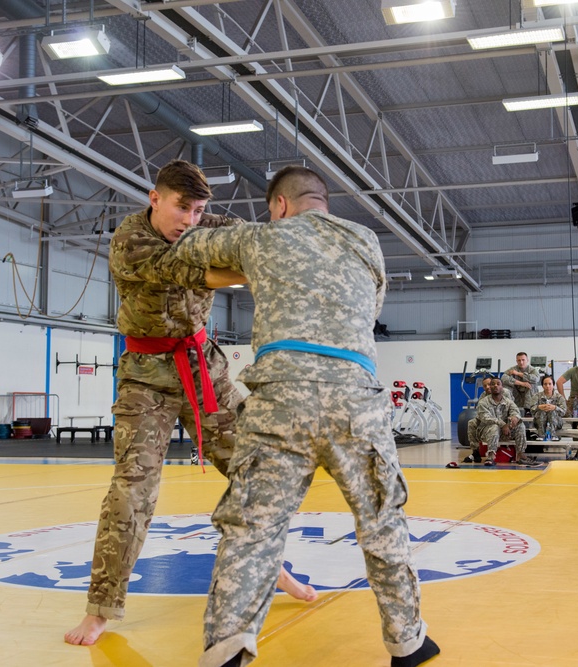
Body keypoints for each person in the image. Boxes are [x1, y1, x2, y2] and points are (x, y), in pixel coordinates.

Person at [173, 166, 439, 667]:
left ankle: (228, 648)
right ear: (321, 201)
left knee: (253, 529)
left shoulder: (259, 238)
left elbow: (188, 251)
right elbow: (371, 306)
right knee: (382, 521)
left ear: (279, 206)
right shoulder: (366, 240)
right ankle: (408, 642)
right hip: (355, 398)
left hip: (280, 399)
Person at [64, 161, 314, 648]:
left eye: (199, 210)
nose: (190, 219)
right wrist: (249, 267)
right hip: (147, 378)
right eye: (182, 206)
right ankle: (100, 608)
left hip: (205, 368)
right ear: (155, 198)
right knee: (131, 492)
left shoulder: (206, 224)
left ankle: (270, 568)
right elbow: (203, 269)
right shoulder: (129, 241)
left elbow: (251, 240)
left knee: (258, 468)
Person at [476, 378, 533, 466]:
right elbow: (485, 418)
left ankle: (520, 455)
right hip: (487, 432)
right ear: (490, 388)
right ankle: (491, 456)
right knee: (494, 427)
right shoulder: (483, 402)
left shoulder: (508, 401)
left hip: (506, 432)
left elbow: (516, 412)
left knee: (520, 425)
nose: (495, 386)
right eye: (493, 384)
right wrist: (503, 425)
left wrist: (514, 418)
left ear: (502, 387)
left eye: (498, 384)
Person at [463, 377, 494, 463]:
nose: (487, 387)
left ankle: (491, 455)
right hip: (485, 420)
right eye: (485, 386)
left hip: (497, 421)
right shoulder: (483, 396)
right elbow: (479, 412)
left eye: (489, 384)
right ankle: (476, 452)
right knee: (471, 423)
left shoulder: (502, 393)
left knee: (493, 426)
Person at [528, 375, 567, 441]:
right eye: (545, 384)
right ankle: (541, 435)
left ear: (553, 385)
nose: (547, 386)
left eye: (550, 384)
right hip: (540, 422)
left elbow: (563, 411)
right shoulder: (537, 396)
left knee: (552, 411)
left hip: (556, 423)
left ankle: (553, 435)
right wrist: (539, 407)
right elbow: (531, 410)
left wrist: (555, 407)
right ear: (542, 385)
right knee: (541, 411)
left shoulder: (559, 397)